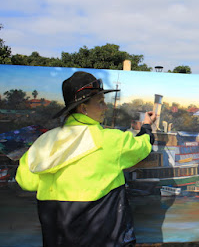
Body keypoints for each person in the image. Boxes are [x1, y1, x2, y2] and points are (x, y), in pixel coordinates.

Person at [16, 71, 156, 247]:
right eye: (100, 103)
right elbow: (142, 147)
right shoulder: (109, 140)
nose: (105, 108)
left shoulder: (44, 142)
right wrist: (146, 127)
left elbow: (25, 181)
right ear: (83, 108)